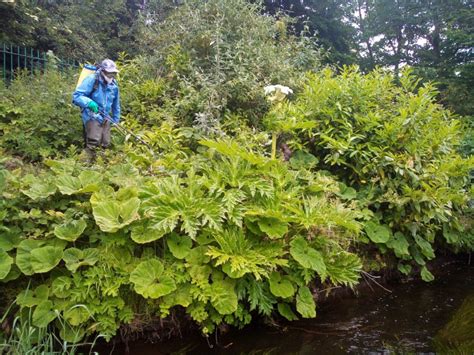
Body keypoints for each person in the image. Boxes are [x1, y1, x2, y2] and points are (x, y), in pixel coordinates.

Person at [72, 59, 120, 161]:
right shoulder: (92, 80)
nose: (111, 76)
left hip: (105, 116)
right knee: (93, 142)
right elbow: (77, 96)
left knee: (105, 143)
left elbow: (116, 104)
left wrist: (116, 119)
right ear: (102, 71)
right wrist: (89, 103)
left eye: (113, 73)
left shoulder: (114, 86)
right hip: (91, 115)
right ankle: (83, 165)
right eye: (109, 73)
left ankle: (101, 165)